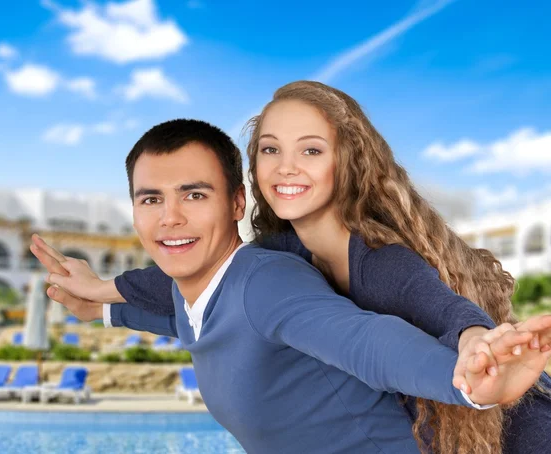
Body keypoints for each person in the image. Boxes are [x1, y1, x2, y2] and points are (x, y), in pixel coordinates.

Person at [33, 119, 551, 454]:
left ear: (237, 204)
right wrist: (98, 300)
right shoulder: (197, 294)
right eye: (150, 200)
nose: (170, 218)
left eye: (193, 195)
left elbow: (363, 340)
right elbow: (176, 314)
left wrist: (464, 382)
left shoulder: (265, 283)